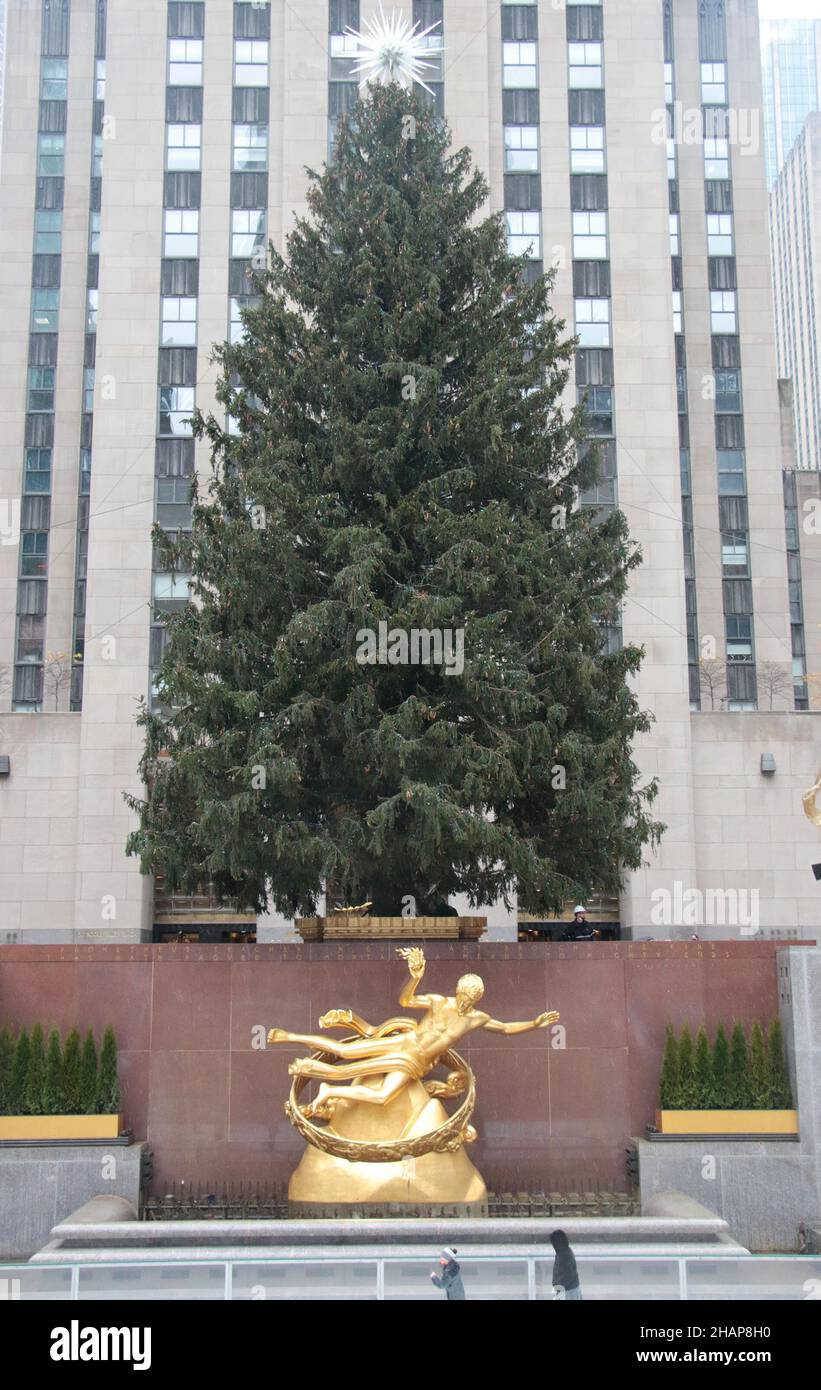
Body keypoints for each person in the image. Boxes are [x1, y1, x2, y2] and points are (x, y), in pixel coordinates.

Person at [550, 1229, 582, 1300]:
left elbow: (564, 1277)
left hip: (568, 1292)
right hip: (568, 1291)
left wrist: (558, 1289)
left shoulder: (564, 1255)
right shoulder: (563, 1252)